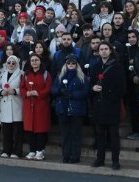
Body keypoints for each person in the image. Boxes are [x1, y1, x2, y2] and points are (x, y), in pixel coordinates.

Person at [90, 41, 126, 170]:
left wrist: (111, 96)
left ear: (110, 51)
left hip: (112, 106)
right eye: (101, 49)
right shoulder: (94, 67)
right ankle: (100, 159)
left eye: (106, 49)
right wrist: (93, 88)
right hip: (99, 106)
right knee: (99, 135)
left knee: (113, 135)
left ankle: (115, 161)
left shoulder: (117, 66)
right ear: (98, 52)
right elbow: (90, 85)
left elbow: (122, 88)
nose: (103, 51)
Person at [52, 55, 89, 163]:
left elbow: (85, 91)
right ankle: (66, 155)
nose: (71, 65)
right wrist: (60, 90)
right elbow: (53, 90)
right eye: (69, 63)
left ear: (77, 65)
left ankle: (75, 155)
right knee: (65, 134)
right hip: (62, 108)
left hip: (77, 109)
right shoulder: (60, 76)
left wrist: (73, 94)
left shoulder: (82, 77)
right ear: (66, 64)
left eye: (73, 63)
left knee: (76, 134)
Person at [22, 54, 52, 160]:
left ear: (40, 61)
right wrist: (26, 93)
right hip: (28, 105)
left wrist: (38, 92)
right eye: (32, 60)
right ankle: (32, 150)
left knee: (40, 129)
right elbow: (22, 88)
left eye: (36, 60)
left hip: (41, 105)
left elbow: (48, 88)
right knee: (29, 130)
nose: (34, 62)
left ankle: (40, 151)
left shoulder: (45, 74)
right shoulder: (26, 74)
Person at [0, 55, 24, 159]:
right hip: (5, 103)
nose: (11, 64)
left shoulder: (21, 74)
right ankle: (6, 150)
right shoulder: (2, 75)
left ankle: (17, 151)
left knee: (17, 131)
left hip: (17, 104)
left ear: (17, 64)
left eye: (13, 63)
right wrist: (1, 92)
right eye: (9, 63)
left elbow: (24, 88)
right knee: (6, 131)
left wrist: (15, 91)